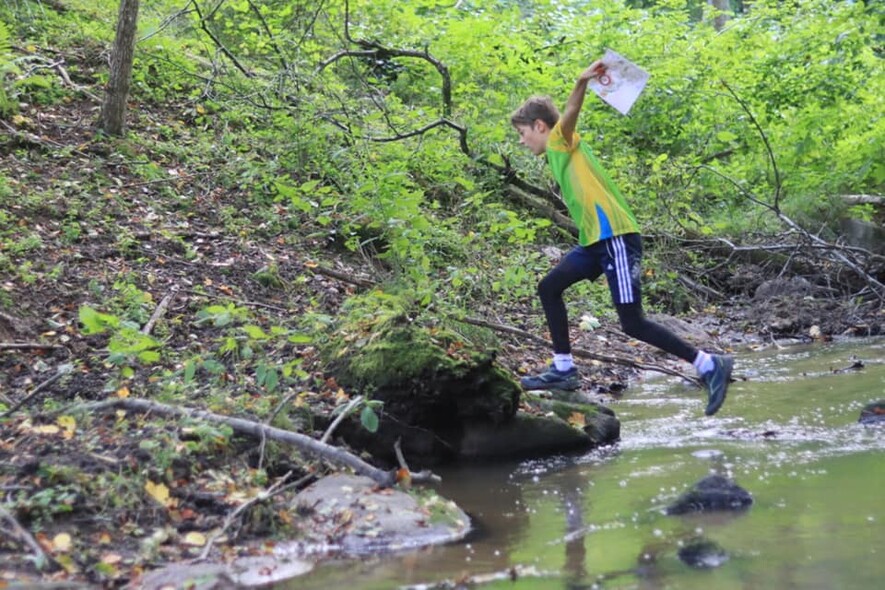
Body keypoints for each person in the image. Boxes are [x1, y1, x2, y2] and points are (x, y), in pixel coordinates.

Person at [510, 60, 733, 416]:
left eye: (523, 133)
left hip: (615, 237)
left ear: (540, 126)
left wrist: (580, 82)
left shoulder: (559, 141)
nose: (522, 141)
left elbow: (570, 113)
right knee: (549, 288)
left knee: (632, 322)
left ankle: (708, 363)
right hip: (594, 243)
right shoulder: (557, 152)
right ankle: (564, 369)